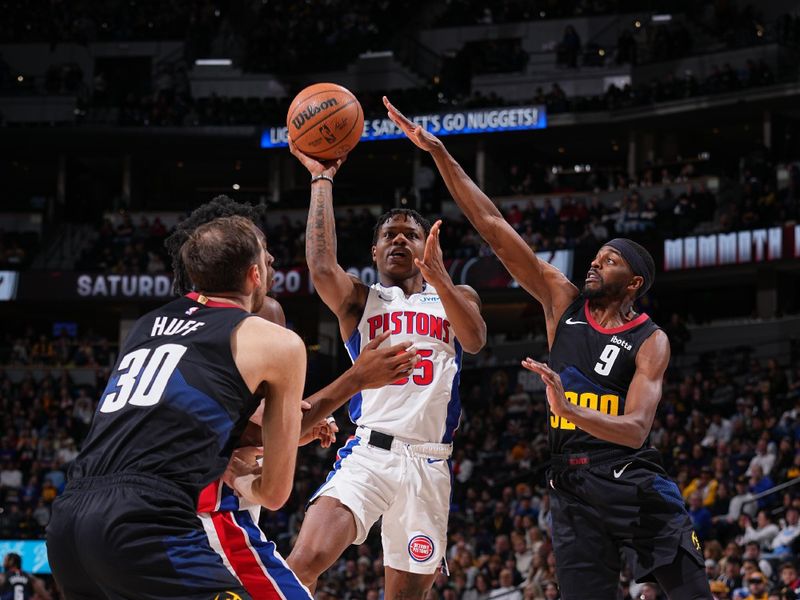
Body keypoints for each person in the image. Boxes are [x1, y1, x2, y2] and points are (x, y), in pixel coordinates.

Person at [384, 96, 712, 599]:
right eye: (597, 257)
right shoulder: (563, 301)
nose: (597, 265)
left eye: (611, 261)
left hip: (634, 483)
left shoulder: (651, 340)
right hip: (572, 488)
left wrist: (568, 409)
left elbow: (635, 430)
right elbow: (494, 229)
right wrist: (440, 153)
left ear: (634, 284)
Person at [166, 197, 418, 598]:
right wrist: (355, 379)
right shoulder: (254, 321)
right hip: (212, 495)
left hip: (189, 492)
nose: (272, 262)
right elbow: (270, 460)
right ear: (240, 262)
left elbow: (266, 429)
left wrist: (298, 427)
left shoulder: (173, 323)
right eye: (263, 252)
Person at [46, 215, 307, 599]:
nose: (272, 264)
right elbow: (274, 495)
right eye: (266, 257)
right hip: (144, 524)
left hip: (68, 522)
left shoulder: (146, 324)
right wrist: (238, 479)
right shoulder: (278, 343)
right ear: (254, 275)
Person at [286, 137, 487, 598]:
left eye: (410, 234)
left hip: (429, 463)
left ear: (426, 247)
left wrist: (440, 278)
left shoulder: (458, 296)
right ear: (375, 253)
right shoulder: (362, 299)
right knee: (301, 564)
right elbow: (319, 267)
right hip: (368, 454)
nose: (399, 239)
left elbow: (474, 340)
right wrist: (322, 178)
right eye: (388, 236)